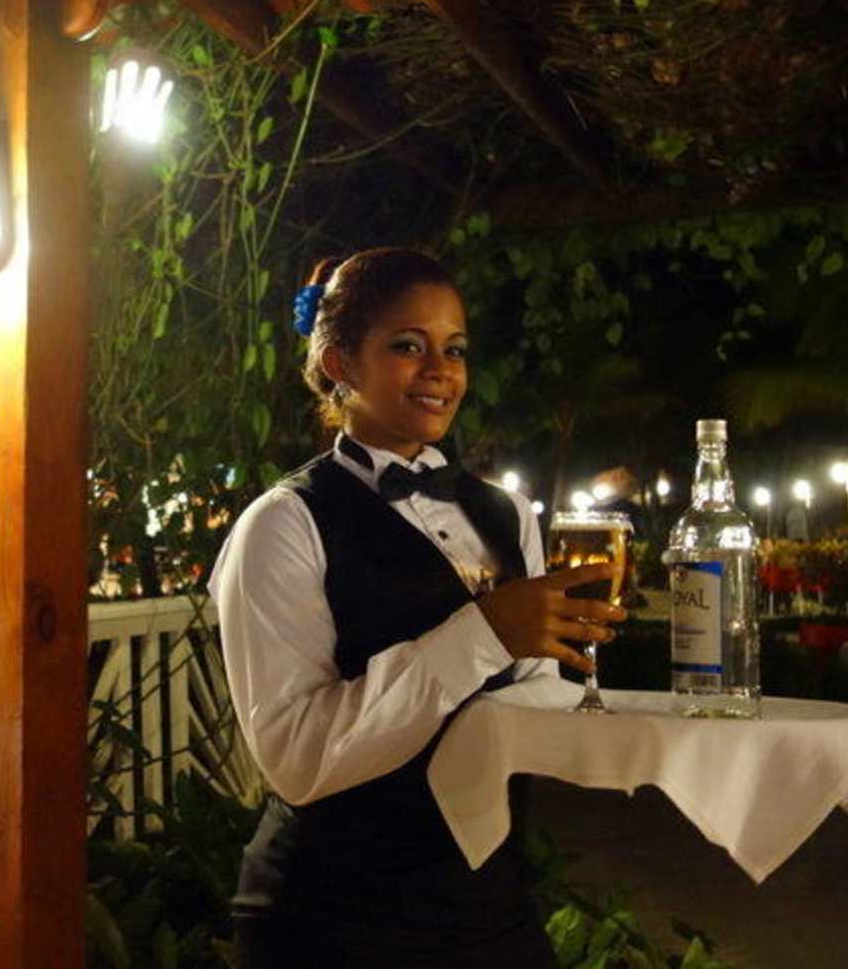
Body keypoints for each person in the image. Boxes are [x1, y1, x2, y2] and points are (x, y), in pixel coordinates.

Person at [209, 248, 622, 967]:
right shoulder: (283, 523)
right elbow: (297, 760)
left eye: (454, 349)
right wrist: (485, 634)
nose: (440, 370)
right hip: (332, 918)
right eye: (408, 346)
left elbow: (531, 699)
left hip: (486, 898)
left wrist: (655, 734)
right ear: (340, 362)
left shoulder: (507, 513)